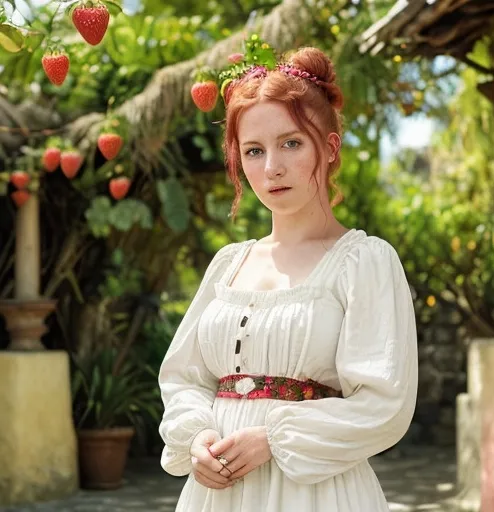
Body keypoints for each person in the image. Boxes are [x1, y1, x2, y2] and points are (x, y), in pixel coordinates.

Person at [158, 44, 418, 512]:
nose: (271, 167)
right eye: (254, 151)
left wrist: (273, 438)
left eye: (291, 143)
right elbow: (185, 378)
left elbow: (384, 405)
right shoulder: (228, 264)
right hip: (216, 495)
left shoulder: (364, 262)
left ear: (331, 148)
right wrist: (196, 438)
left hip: (318, 494)